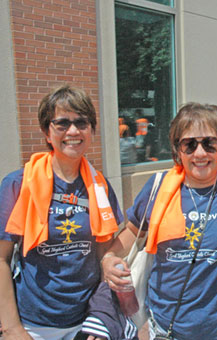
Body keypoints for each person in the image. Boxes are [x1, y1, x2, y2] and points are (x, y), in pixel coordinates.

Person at [101, 102, 217, 339]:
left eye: (209, 144)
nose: (200, 153)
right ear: (178, 150)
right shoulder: (157, 189)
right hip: (167, 327)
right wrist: (108, 258)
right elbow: (130, 234)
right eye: (189, 144)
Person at [0, 85, 123, 340]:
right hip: (34, 326)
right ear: (47, 132)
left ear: (91, 130)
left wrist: (102, 318)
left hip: (86, 322)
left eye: (81, 122)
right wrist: (12, 329)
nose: (73, 131)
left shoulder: (99, 186)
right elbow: (1, 259)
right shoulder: (18, 184)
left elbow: (105, 254)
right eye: (62, 123)